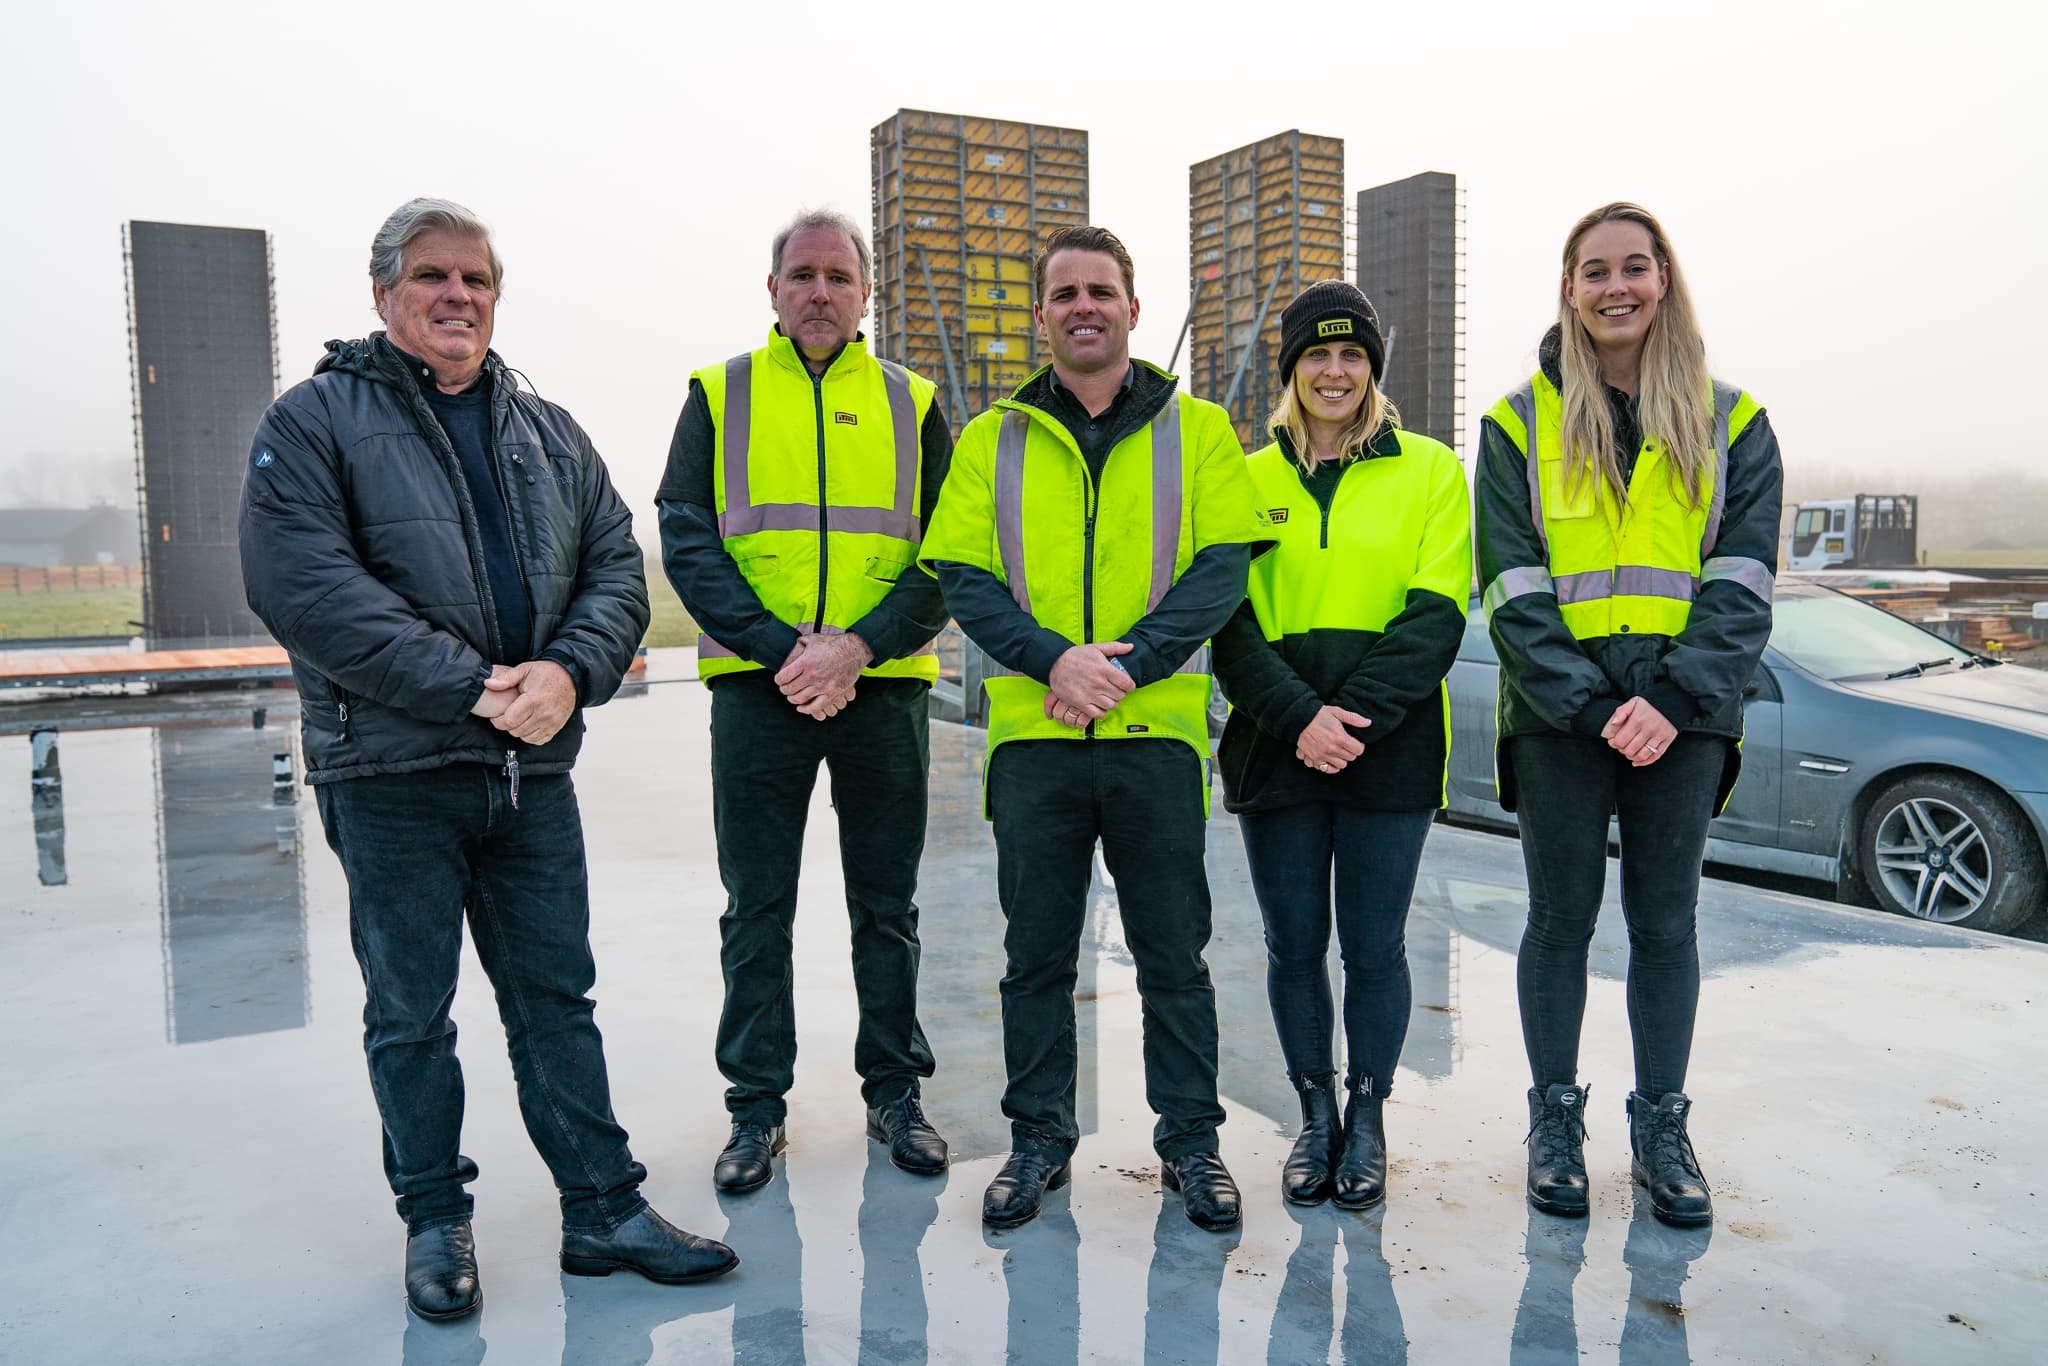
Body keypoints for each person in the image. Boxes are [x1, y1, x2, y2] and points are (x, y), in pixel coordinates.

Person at [239, 198, 737, 1321]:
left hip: (532, 774)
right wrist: (476, 690)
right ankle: (434, 1221)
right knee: (411, 1010)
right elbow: (304, 588)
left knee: (556, 999)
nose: (456, 295)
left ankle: (603, 1208)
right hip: (392, 779)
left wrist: (566, 673)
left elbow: (617, 567)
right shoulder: (313, 422)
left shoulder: (549, 432)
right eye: (431, 277)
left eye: (475, 278)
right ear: (383, 294)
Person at [919, 225, 1272, 1232]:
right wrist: (1051, 663)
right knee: (1034, 954)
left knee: (1173, 952)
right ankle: (1037, 1141)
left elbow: (1218, 570)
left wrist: (1124, 667)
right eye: (1065, 292)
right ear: (1041, 314)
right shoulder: (992, 439)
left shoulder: (1197, 431)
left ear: (1131, 307)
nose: (1083, 305)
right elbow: (965, 576)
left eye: (1101, 290)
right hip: (1033, 741)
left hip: (1151, 736)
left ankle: (1191, 1145)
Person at [1474, 202, 1781, 1228]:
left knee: (1663, 925)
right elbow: (1509, 585)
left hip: (1681, 716)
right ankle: (1554, 1122)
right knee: (1558, 921)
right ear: (1567, 288)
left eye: (1633, 268)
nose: (1615, 287)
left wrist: (1669, 701)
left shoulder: (1732, 421)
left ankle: (1660, 1126)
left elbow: (1741, 582)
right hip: (1559, 717)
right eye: (1593, 270)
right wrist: (1591, 702)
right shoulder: (1515, 423)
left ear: (1662, 280)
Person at [657, 209, 953, 1193]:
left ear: (865, 293)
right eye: (801, 274)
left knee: (887, 906)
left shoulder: (914, 402)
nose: (819, 291)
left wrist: (858, 649)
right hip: (758, 688)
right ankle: (754, 1110)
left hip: (882, 688)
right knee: (756, 908)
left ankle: (894, 1094)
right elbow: (687, 536)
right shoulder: (719, 393)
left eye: (837, 275)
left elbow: (948, 553)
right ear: (773, 290)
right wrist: (786, 651)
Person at [1210, 280, 1470, 1210]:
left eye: (1351, 355)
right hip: (1275, 746)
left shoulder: (1432, 470)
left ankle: (1368, 1115)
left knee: (1375, 946)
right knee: (1291, 947)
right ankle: (1313, 1116)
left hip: (1388, 750)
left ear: (1372, 368)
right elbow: (1227, 622)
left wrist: (1348, 719)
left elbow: (1437, 617)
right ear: (1289, 369)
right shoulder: (1243, 478)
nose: (1334, 371)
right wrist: (1299, 720)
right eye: (1316, 355)